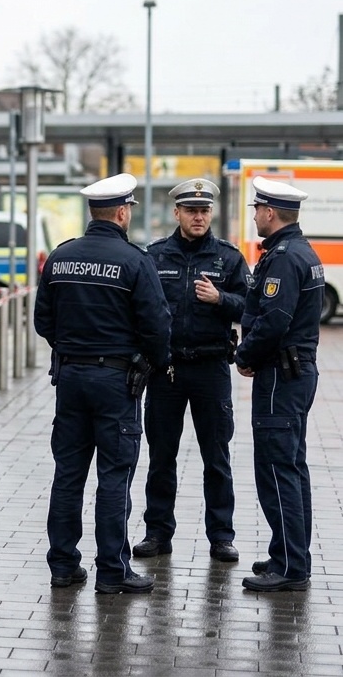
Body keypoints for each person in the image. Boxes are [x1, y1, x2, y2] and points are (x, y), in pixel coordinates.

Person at [35, 173, 172, 594]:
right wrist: (154, 363)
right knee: (115, 476)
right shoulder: (135, 261)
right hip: (117, 382)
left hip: (71, 378)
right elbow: (157, 325)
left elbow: (44, 321)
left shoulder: (60, 258)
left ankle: (63, 566)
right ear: (121, 211)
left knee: (68, 474)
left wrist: (73, 348)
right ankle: (112, 571)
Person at [133, 179, 248, 564]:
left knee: (216, 457)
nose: (198, 217)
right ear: (177, 213)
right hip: (166, 371)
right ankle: (157, 532)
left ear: (211, 213)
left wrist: (221, 299)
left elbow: (251, 310)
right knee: (161, 456)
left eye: (204, 211)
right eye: (191, 210)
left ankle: (221, 536)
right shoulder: (156, 256)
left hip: (211, 368)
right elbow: (141, 311)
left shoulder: (228, 259)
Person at [234, 176, 323, 592]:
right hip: (295, 373)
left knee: (277, 469)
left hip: (280, 377)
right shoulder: (298, 251)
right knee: (291, 466)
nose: (255, 215)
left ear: (270, 213)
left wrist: (245, 355)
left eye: (257, 209)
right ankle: (289, 552)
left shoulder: (285, 258)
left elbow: (274, 320)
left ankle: (289, 566)